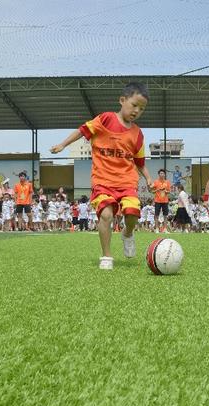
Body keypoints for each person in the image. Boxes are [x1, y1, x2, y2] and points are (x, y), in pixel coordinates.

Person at [50, 82, 153, 270]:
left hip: (127, 182)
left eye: (142, 109)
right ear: (122, 100)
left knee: (131, 214)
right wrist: (63, 144)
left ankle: (128, 234)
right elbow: (82, 130)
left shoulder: (137, 134)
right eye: (134, 105)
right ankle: (106, 256)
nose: (137, 111)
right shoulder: (105, 119)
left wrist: (148, 178)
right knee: (106, 215)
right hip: (102, 181)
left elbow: (139, 162)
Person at [152, 169, 171, 233]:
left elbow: (169, 191)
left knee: (165, 215)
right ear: (159, 174)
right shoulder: (155, 182)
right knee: (156, 215)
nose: (162, 174)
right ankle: (157, 229)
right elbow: (152, 191)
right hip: (157, 201)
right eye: (160, 173)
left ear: (164, 175)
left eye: (163, 173)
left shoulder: (167, 182)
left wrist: (166, 191)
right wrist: (157, 190)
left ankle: (165, 229)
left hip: (165, 201)